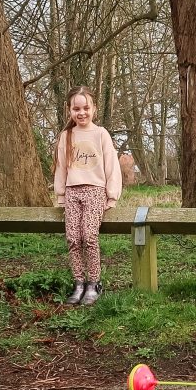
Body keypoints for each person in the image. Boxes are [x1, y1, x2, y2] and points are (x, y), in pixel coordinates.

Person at [52, 86, 122, 306]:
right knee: (73, 238)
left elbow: (111, 164)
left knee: (89, 236)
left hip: (95, 191)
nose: (81, 113)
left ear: (94, 109)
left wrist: (112, 195)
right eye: (76, 109)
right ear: (69, 111)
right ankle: (79, 283)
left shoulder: (100, 133)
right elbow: (62, 166)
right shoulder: (67, 135)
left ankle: (94, 283)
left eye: (86, 108)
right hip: (73, 191)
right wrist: (61, 194)